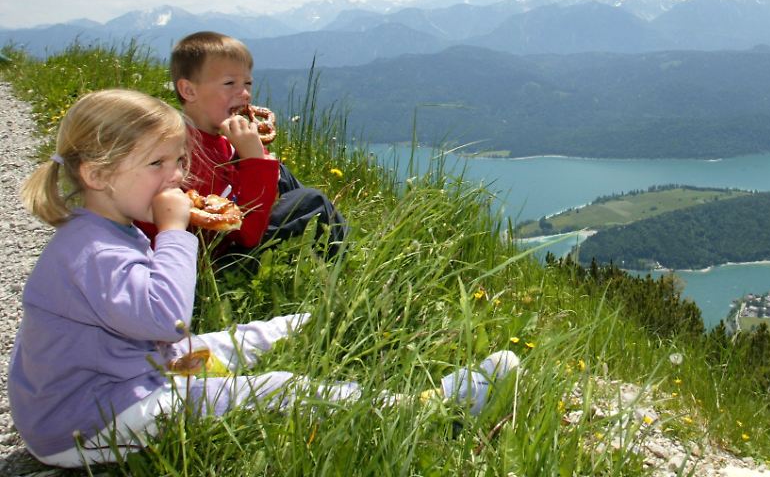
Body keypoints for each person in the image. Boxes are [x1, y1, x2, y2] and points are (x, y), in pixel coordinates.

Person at [10, 89, 519, 468]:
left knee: (227, 343)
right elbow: (166, 319)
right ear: (97, 175)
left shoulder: (100, 230)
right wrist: (174, 231)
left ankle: (311, 322)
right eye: (157, 164)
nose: (178, 178)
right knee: (277, 387)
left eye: (180, 161)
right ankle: (423, 409)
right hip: (91, 424)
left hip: (97, 392)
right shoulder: (92, 250)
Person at [165, 30, 346, 260]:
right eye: (230, 83)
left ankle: (324, 242)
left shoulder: (220, 140)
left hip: (240, 229)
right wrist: (254, 160)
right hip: (220, 257)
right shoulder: (183, 154)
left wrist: (257, 159)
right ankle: (341, 260)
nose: (245, 94)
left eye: (247, 83)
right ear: (189, 91)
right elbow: (245, 234)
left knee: (280, 173)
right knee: (313, 201)